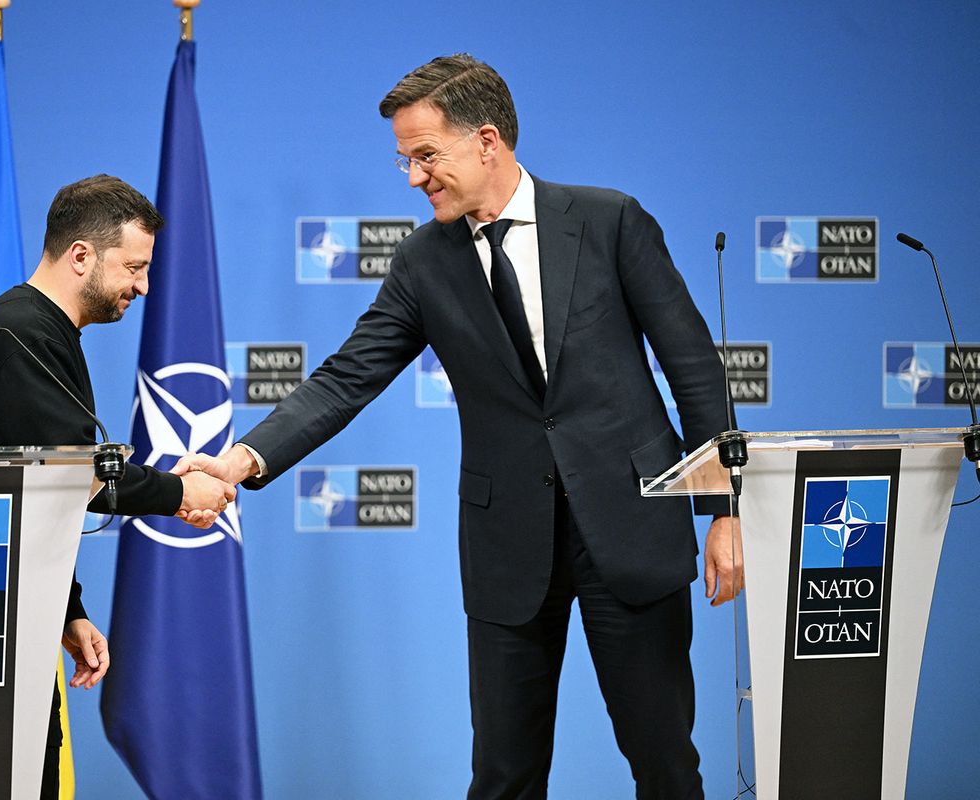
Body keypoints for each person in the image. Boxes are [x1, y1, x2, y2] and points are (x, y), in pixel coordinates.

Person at [182, 55, 740, 798]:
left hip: (631, 524)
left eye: (424, 156)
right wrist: (246, 459)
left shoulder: (609, 221)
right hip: (508, 544)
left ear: (486, 141)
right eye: (405, 160)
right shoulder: (422, 262)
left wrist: (724, 509)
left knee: (664, 760)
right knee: (503, 777)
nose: (414, 177)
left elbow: (693, 366)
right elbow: (348, 377)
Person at [0, 174, 235, 799]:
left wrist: (65, 608)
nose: (144, 287)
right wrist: (182, 496)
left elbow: (35, 490)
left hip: (1, 605)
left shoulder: (42, 330)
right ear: (81, 255)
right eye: (136, 267)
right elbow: (78, 476)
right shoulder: (18, 334)